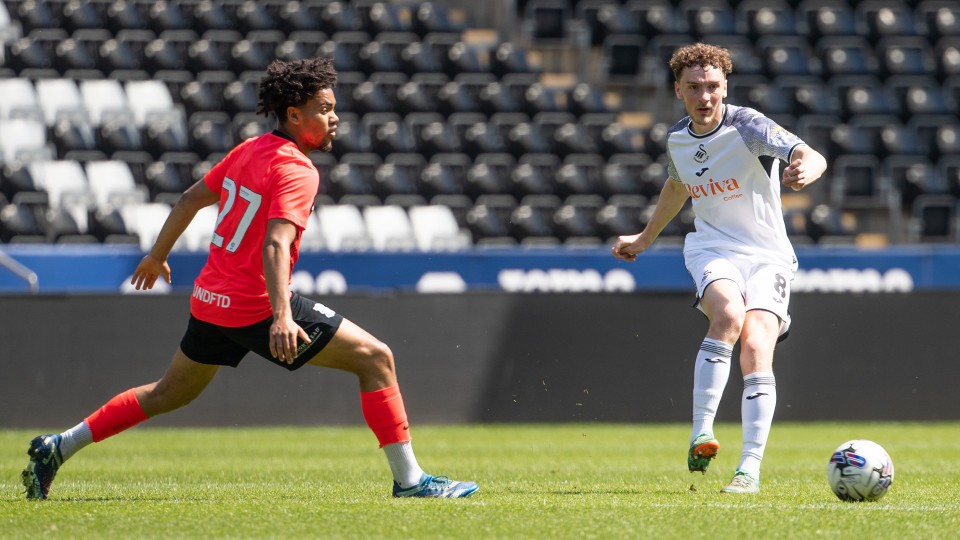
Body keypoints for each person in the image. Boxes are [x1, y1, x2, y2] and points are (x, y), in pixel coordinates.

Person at [21, 57, 478, 500]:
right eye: (325, 109)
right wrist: (281, 315)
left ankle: (58, 446)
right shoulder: (297, 169)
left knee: (167, 393)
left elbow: (188, 199)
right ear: (294, 115)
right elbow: (275, 244)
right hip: (252, 305)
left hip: (210, 299)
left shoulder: (249, 150)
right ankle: (410, 481)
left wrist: (156, 256)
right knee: (376, 359)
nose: (335, 118)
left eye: (334, 108)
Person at [611, 43, 827, 494]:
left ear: (725, 86)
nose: (704, 96)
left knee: (757, 346)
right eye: (694, 87)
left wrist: (805, 168)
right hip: (713, 248)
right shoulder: (677, 138)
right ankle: (702, 433)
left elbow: (808, 153)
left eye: (712, 86)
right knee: (728, 315)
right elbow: (678, 186)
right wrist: (644, 239)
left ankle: (749, 469)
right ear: (678, 91)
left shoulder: (748, 126)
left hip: (768, 254)